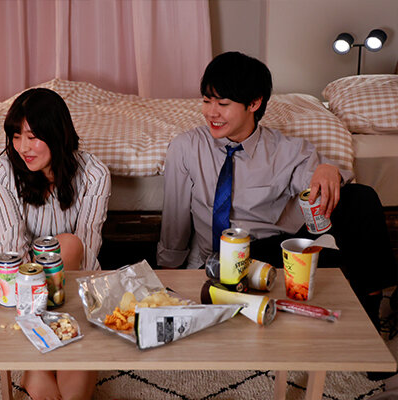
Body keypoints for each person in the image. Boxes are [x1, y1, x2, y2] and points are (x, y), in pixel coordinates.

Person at [157, 51, 397, 336]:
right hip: (215, 261)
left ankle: (371, 312)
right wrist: (167, 275)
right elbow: (175, 218)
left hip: (266, 255)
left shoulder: (287, 150)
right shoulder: (186, 147)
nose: (211, 113)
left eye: (223, 103)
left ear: (254, 103)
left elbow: (317, 186)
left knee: (360, 198)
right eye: (207, 101)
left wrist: (328, 170)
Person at [0, 88, 110, 399]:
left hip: (77, 290)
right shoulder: (1, 173)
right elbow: (13, 253)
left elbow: (87, 253)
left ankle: (54, 340)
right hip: (27, 295)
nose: (22, 148)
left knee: (69, 245)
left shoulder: (94, 174)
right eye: (16, 136)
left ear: (57, 134)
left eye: (32, 137)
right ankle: (44, 339)